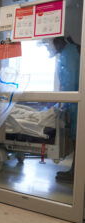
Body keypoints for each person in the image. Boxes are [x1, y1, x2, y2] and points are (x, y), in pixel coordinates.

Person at [44, 36, 80, 182]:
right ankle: (75, 171)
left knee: (78, 138)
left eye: (48, 44)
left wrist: (63, 104)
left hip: (77, 103)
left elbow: (70, 82)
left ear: (57, 41)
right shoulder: (70, 51)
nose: (48, 48)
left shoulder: (68, 54)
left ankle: (75, 174)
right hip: (75, 103)